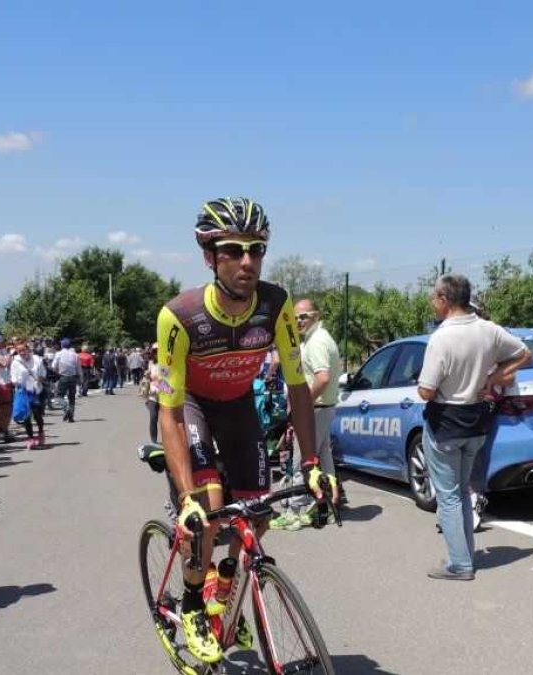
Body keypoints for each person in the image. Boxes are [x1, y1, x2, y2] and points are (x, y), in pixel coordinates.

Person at [156, 197, 333, 664]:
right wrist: (185, 493)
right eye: (234, 250)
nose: (248, 261)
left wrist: (312, 464)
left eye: (257, 249)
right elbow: (168, 410)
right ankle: (193, 605)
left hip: (236, 406)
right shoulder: (180, 316)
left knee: (256, 516)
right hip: (190, 408)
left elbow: (298, 386)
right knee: (208, 511)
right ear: (210, 256)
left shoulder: (275, 304)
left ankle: (226, 585)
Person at [416, 275, 532, 580]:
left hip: (446, 423)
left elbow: (426, 391)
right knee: (462, 491)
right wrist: (493, 379)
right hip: (478, 422)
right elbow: (525, 354)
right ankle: (463, 554)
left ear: (444, 299)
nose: (432, 303)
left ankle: (459, 563)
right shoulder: (488, 329)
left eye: (434, 298)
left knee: (449, 496)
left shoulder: (441, 338)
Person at [271, 298, 346, 530]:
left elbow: (322, 378)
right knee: (324, 460)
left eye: (303, 316)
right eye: (295, 318)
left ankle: (295, 511)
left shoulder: (317, 342)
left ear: (316, 315)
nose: (299, 321)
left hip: (316, 409)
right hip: (324, 408)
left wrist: (303, 403)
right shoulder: (318, 339)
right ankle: (330, 506)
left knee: (301, 461)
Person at [11, 339, 47, 449]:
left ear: (28, 349)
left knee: (37, 415)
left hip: (36, 391)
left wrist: (39, 379)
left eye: (24, 350)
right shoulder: (15, 362)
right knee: (26, 416)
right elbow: (13, 377)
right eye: (19, 350)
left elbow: (43, 373)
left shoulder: (37, 360)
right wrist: (18, 383)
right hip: (23, 392)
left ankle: (41, 432)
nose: (22, 352)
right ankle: (30, 438)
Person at [52, 338, 80, 422]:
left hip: (63, 376)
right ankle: (71, 417)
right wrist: (80, 377)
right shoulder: (75, 355)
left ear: (62, 345)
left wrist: (57, 372)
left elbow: (54, 366)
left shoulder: (58, 354)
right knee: (72, 397)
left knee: (58, 396)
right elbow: (78, 368)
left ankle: (66, 408)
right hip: (73, 377)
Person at [143, 343, 162, 444]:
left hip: (164, 396)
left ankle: (169, 440)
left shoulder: (166, 364)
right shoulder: (151, 363)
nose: (157, 353)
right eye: (155, 351)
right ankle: (154, 441)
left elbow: (166, 380)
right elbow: (149, 377)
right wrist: (147, 376)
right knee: (153, 417)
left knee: (166, 420)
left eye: (159, 351)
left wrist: (158, 381)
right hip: (152, 396)